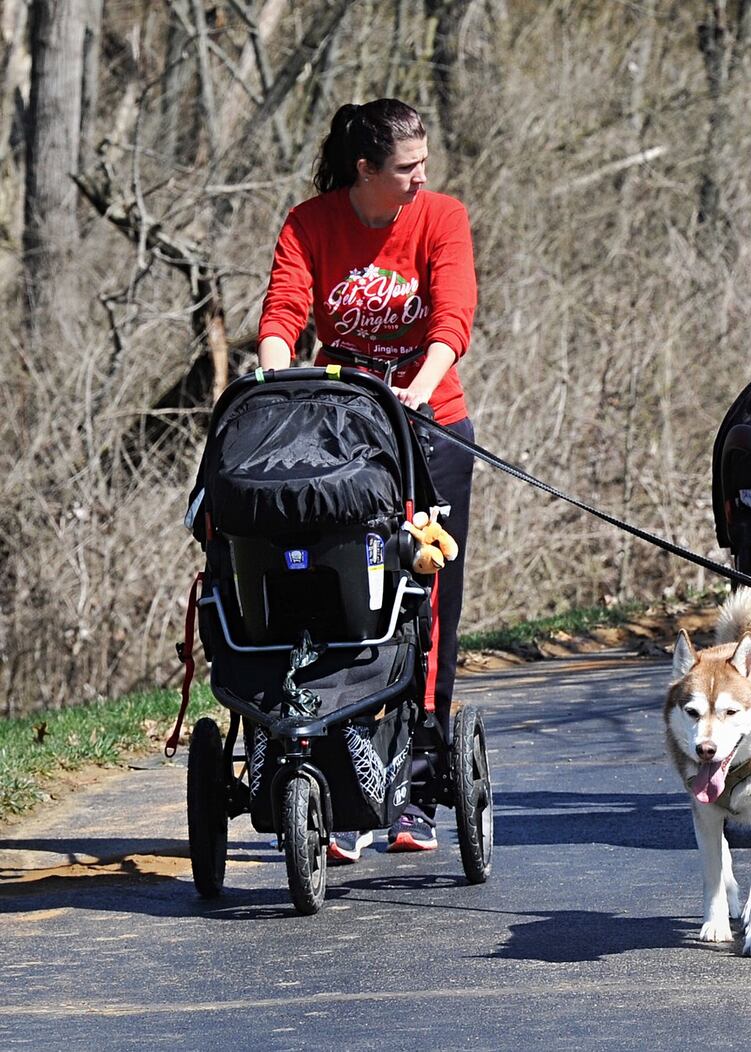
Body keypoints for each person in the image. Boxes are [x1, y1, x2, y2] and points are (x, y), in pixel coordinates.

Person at [257, 98, 478, 859]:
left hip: (429, 423)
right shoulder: (310, 223)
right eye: (406, 169)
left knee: (426, 591)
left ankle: (417, 781)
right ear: (365, 170)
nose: (421, 179)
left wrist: (423, 381)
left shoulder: (440, 216)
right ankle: (342, 775)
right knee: (343, 588)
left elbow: (453, 314)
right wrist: (278, 373)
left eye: (424, 164)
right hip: (342, 433)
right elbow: (285, 309)